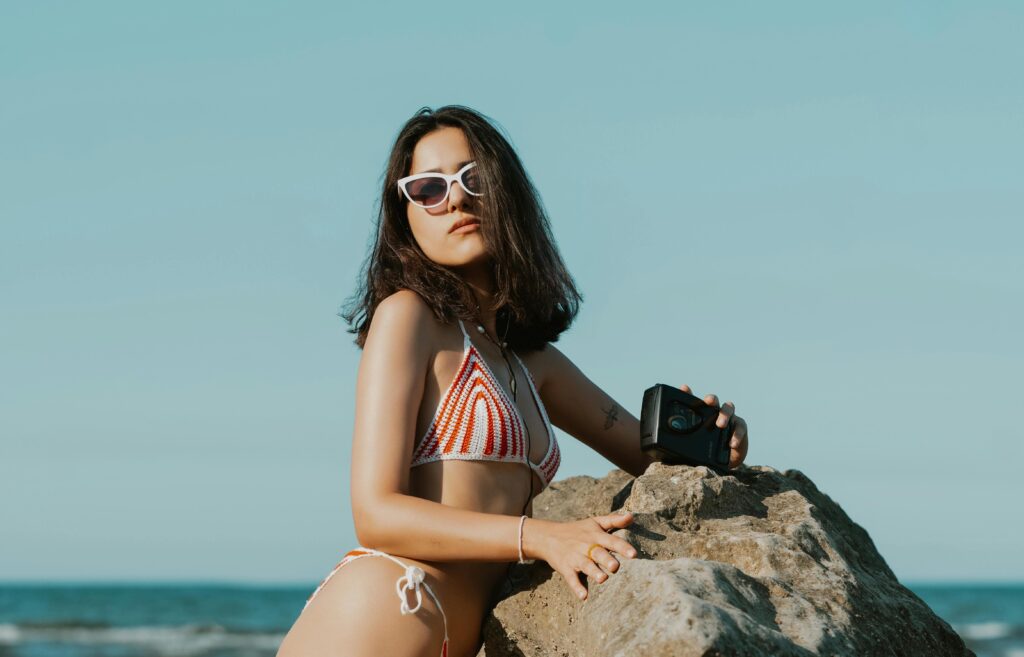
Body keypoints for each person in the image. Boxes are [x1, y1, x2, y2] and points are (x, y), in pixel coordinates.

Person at [275, 105, 750, 657]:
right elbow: (375, 514)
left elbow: (648, 454)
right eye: (426, 188)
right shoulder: (409, 318)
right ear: (405, 215)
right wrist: (542, 537)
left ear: (506, 192)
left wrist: (719, 441)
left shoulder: (533, 361)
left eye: (472, 179)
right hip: (386, 613)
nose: (453, 198)